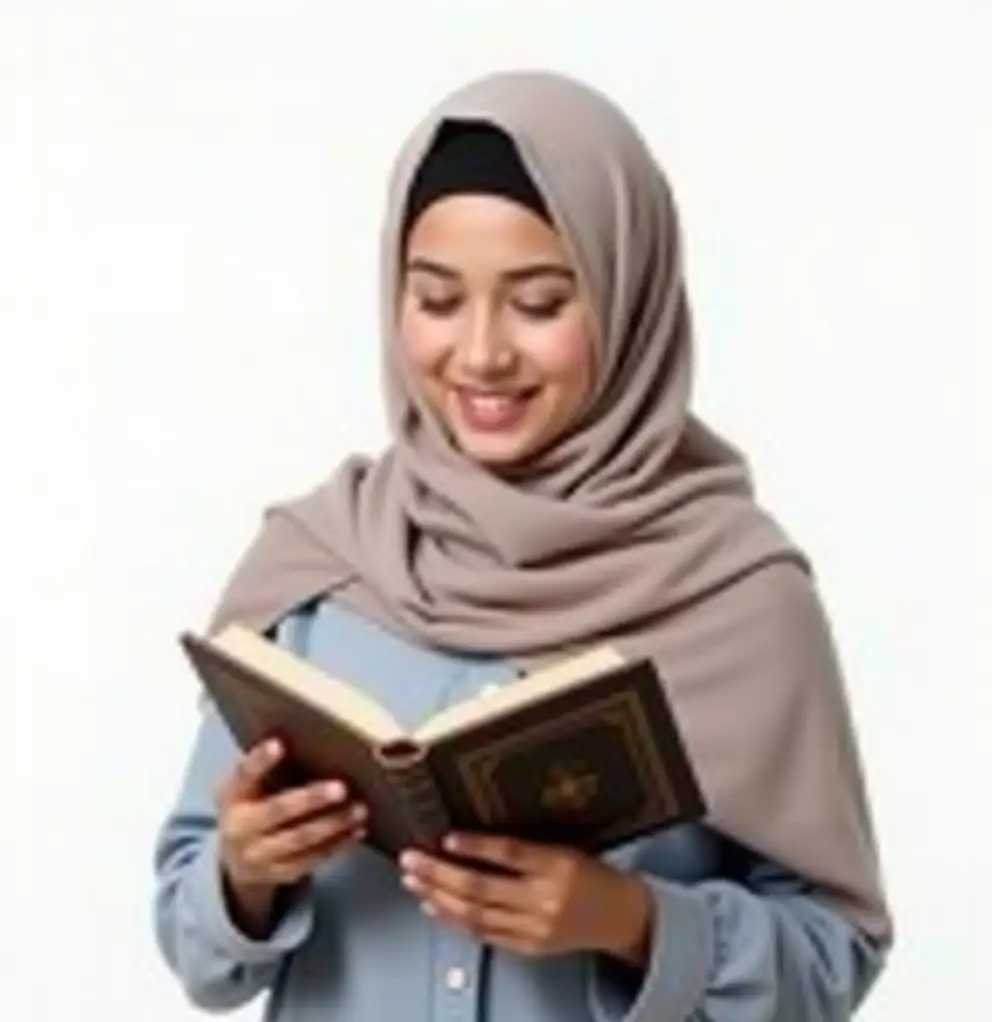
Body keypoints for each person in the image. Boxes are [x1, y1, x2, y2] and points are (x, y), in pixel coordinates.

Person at [152, 69, 893, 1021]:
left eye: (540, 303)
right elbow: (196, 949)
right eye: (436, 298)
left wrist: (634, 922)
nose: (482, 353)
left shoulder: (740, 598)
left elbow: (836, 959)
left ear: (628, 300)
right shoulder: (316, 569)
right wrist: (244, 871)